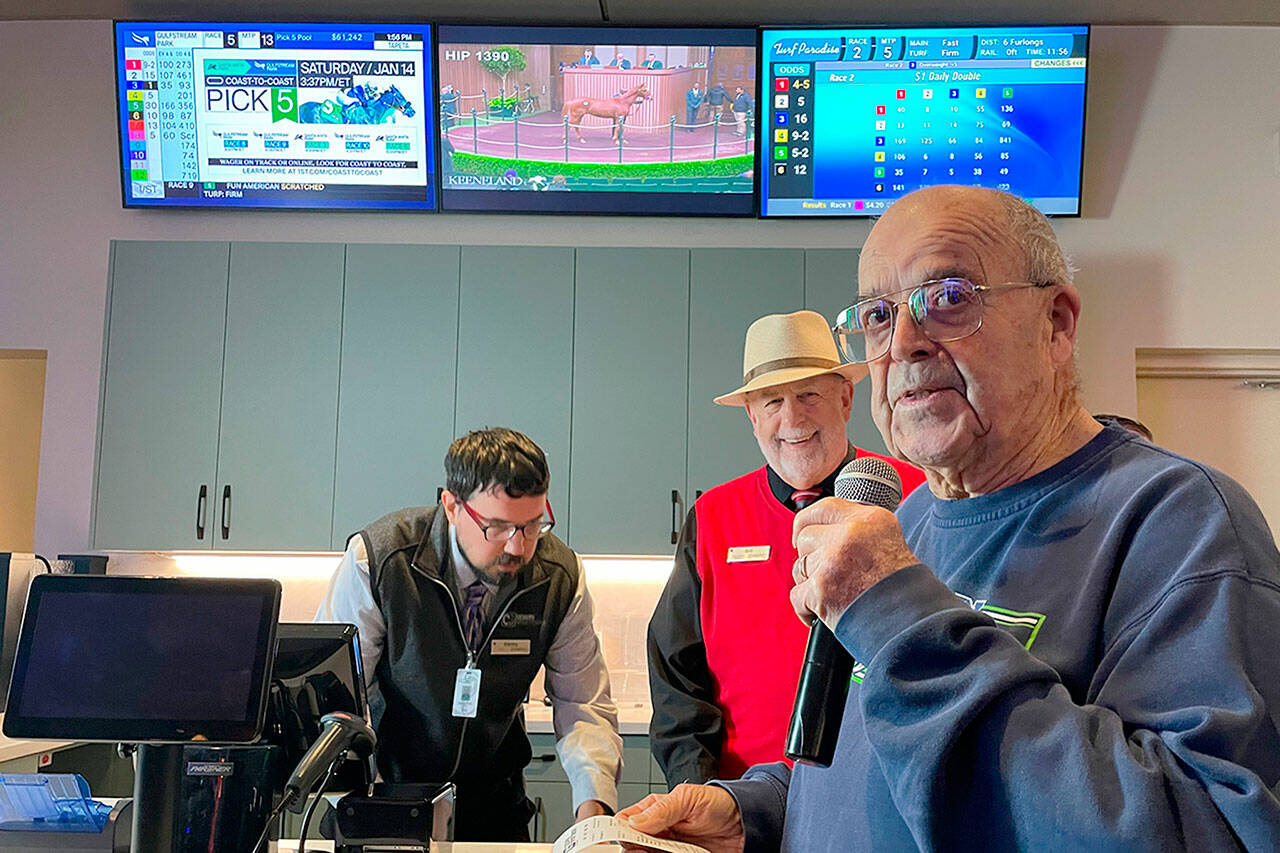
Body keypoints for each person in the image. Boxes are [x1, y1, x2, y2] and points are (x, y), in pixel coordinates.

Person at [621, 186, 1280, 850]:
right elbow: (876, 774)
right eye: (878, 315)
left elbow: (1215, 830)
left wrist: (898, 612)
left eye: (949, 297)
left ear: (1056, 323)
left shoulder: (1181, 524)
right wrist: (761, 811)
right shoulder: (905, 520)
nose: (904, 341)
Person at [647, 310, 926, 788]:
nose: (792, 418)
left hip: (879, 796)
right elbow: (678, 678)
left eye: (808, 395)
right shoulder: (713, 517)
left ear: (845, 399)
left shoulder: (915, 495)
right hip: (742, 804)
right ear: (752, 417)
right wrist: (698, 790)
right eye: (771, 401)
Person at [318, 427, 622, 842]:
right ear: (451, 505)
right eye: (496, 527)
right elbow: (337, 704)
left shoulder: (559, 578)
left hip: (496, 812)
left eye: (533, 526)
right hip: (385, 800)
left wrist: (595, 818)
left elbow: (583, 706)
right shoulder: (381, 560)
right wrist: (362, 804)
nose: (517, 547)